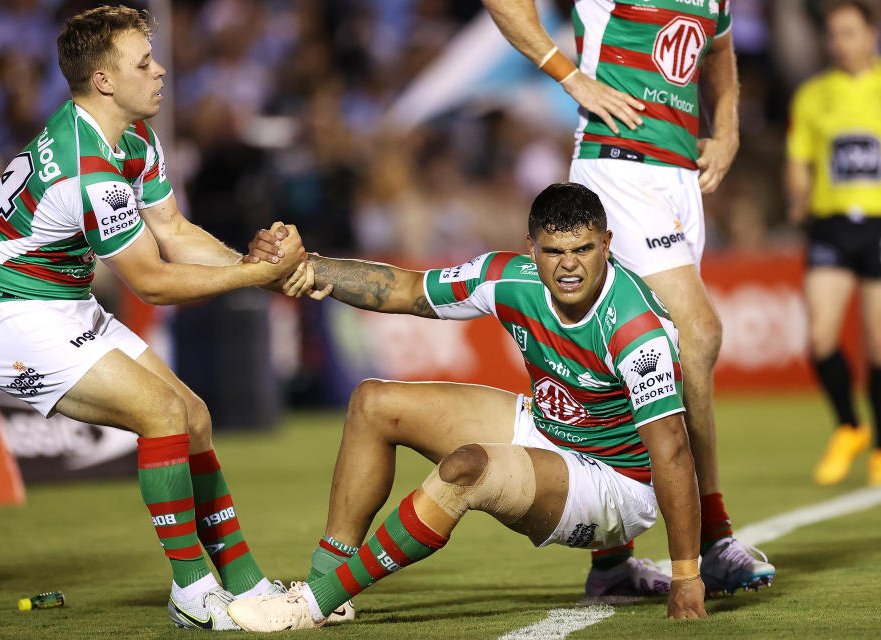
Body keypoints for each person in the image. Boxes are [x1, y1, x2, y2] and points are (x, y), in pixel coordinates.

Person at [0, 5, 305, 631]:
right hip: (10, 321)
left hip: (60, 304)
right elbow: (153, 283)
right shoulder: (88, 168)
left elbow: (172, 231)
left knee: (192, 415)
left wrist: (256, 266)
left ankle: (247, 584)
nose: (162, 70)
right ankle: (193, 592)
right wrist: (259, 275)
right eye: (144, 62)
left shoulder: (132, 136)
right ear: (104, 81)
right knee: (164, 414)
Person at [228, 183, 707, 631]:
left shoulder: (635, 328)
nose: (569, 267)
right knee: (374, 402)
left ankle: (311, 603)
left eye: (583, 249)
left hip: (616, 485)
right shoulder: (506, 278)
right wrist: (302, 265)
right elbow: (406, 289)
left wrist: (686, 577)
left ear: (606, 243)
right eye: (554, 251)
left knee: (467, 469)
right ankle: (327, 583)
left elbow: (671, 454)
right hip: (548, 428)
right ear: (531, 248)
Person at [478, 0, 775, 595]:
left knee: (643, 348)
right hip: (618, 165)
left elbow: (717, 44)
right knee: (699, 332)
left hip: (679, 175)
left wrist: (728, 124)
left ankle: (612, 561)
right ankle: (712, 541)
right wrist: (570, 75)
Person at [786, 0, 881, 487]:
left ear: (870, 34)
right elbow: (800, 156)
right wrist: (799, 193)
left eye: (848, 32)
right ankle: (849, 424)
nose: (839, 42)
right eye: (833, 34)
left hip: (879, 225)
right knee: (822, 337)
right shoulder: (813, 95)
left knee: (879, 345)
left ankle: (880, 447)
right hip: (831, 225)